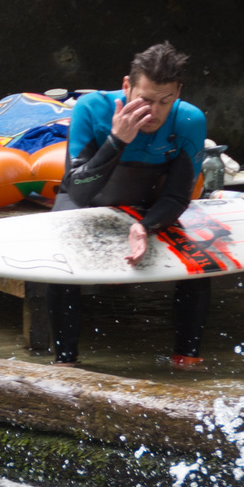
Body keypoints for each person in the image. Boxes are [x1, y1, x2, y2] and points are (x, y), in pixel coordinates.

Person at [47, 41, 211, 368]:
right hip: (88, 199)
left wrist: (146, 225)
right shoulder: (92, 109)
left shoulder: (189, 121)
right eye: (145, 100)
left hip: (147, 204)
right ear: (127, 86)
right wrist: (116, 140)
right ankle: (66, 362)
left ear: (178, 92)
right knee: (60, 258)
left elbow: (179, 196)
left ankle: (187, 359)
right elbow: (77, 190)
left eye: (165, 102)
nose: (154, 112)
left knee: (198, 261)